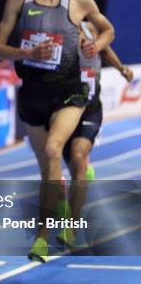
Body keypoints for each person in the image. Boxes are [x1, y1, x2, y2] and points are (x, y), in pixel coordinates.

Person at [0, 0, 114, 262]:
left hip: (70, 90)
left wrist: (97, 45)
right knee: (47, 165)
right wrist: (27, 51)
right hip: (33, 91)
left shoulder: (79, 1)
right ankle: (58, 214)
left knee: (53, 149)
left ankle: (51, 233)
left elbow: (107, 29)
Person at [57, 21, 134, 249]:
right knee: (72, 167)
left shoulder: (90, 27)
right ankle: (81, 177)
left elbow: (105, 48)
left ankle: (71, 227)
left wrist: (121, 68)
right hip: (62, 108)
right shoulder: (57, 29)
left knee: (79, 155)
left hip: (90, 107)